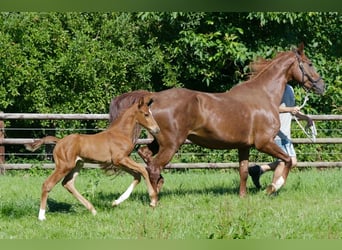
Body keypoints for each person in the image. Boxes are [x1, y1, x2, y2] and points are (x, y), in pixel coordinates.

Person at [248, 84, 313, 190]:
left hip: (286, 133)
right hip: (277, 132)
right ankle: (273, 188)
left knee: (293, 162)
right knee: (283, 162)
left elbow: (293, 111)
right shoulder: (275, 88)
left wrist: (306, 118)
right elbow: (270, 108)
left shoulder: (290, 89)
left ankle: (259, 169)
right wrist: (289, 109)